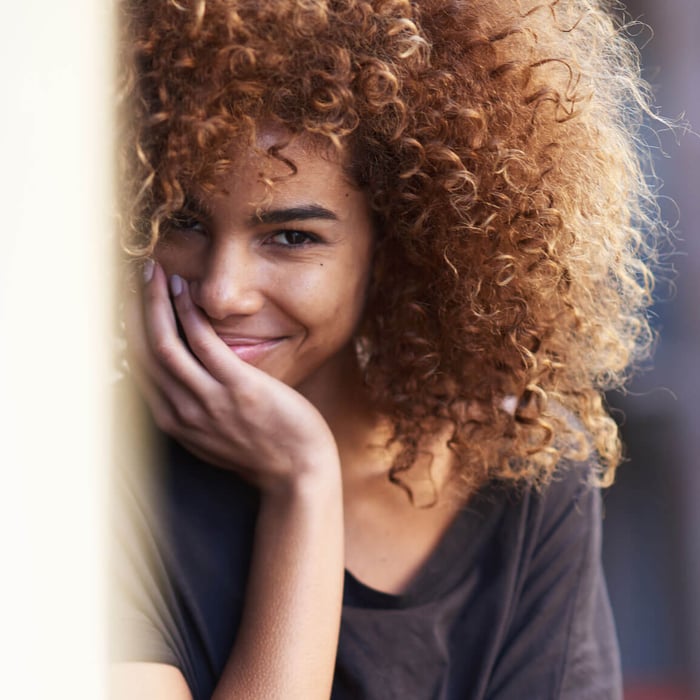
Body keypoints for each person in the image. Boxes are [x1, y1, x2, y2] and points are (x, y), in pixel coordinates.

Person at [110, 0, 659, 698]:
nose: (223, 291)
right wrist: (303, 485)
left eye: (290, 237)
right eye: (183, 222)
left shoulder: (520, 470)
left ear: (398, 244)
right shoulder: (85, 478)